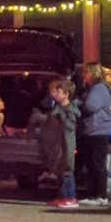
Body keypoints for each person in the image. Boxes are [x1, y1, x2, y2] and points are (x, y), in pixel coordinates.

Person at [78, 62, 111, 207]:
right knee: (92, 163)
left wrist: (81, 103)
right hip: (93, 130)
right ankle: (93, 195)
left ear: (92, 74)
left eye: (86, 73)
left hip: (99, 130)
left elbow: (91, 106)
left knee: (98, 163)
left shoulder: (99, 89)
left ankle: (101, 196)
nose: (84, 75)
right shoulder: (93, 89)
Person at [41, 79, 80, 209]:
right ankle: (62, 196)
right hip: (58, 144)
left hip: (67, 144)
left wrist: (61, 116)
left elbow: (70, 127)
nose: (55, 94)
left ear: (67, 94)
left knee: (68, 170)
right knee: (60, 170)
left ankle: (71, 197)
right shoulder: (57, 107)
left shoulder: (71, 110)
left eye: (59, 92)